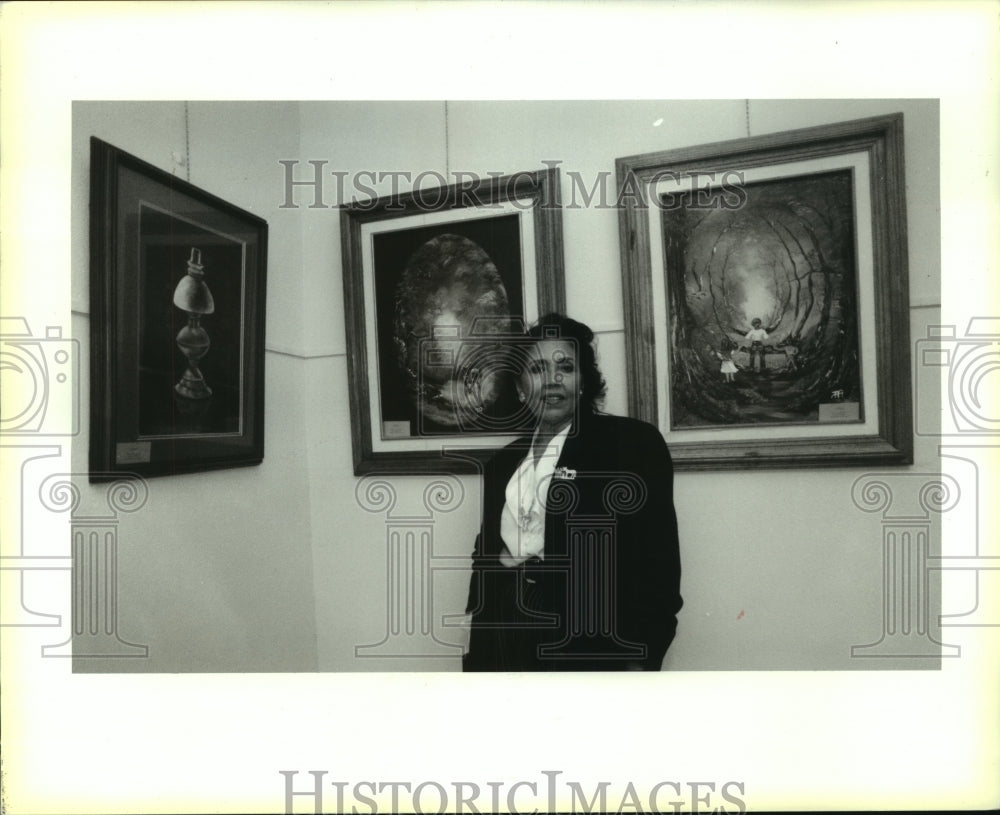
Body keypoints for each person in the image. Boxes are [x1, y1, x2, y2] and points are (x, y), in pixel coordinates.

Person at [463, 314, 682, 671]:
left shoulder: (631, 445)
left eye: (565, 366)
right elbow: (486, 557)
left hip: (590, 641)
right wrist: (474, 643)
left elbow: (658, 564)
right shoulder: (502, 463)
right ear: (520, 388)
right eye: (536, 369)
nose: (552, 381)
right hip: (505, 634)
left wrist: (641, 657)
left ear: (583, 381)